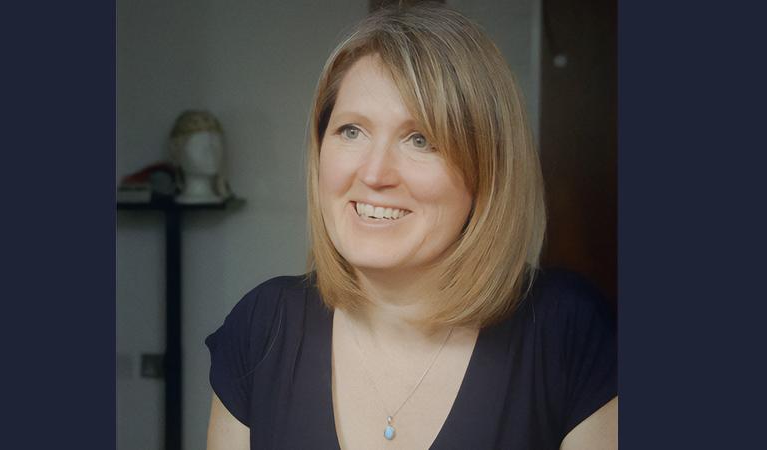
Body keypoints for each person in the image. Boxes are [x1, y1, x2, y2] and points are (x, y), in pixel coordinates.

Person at [205, 4, 617, 449]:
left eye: (420, 139)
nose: (375, 173)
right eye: (351, 131)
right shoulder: (261, 328)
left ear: (487, 171)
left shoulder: (567, 333)